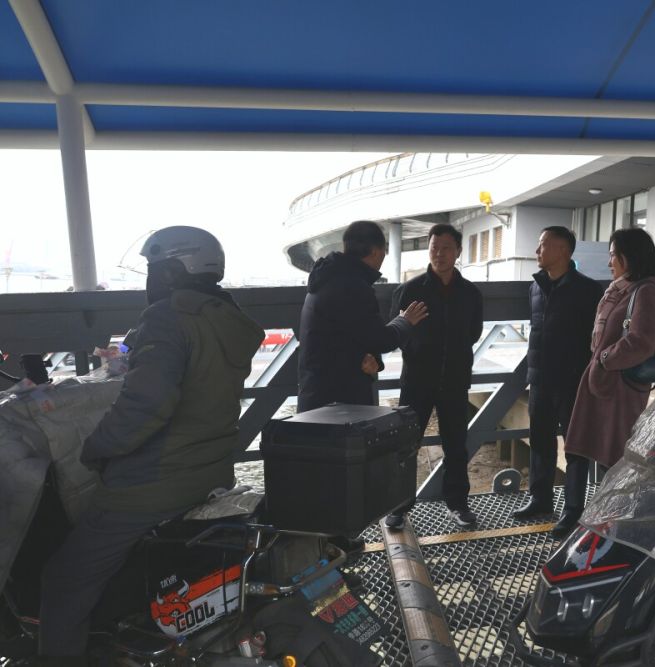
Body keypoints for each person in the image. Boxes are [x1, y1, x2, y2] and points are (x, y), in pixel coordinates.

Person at [38, 227, 265, 664]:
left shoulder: (168, 317)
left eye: (153, 270)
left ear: (175, 271)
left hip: (153, 483)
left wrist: (97, 448)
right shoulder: (225, 318)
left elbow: (147, 405)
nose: (149, 280)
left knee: (63, 579)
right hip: (210, 471)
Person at [555, 228, 655, 539]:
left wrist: (605, 359)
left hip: (619, 389)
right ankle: (588, 518)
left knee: (613, 459)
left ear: (629, 257)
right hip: (603, 385)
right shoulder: (622, 289)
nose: (609, 263)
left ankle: (614, 527)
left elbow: (643, 340)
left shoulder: (645, 291)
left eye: (613, 256)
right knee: (589, 451)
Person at [387, 224, 484, 529]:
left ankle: (457, 504)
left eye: (446, 248)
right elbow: (396, 332)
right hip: (417, 379)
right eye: (434, 248)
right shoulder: (410, 290)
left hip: (455, 379)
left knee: (456, 444)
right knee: (407, 445)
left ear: (458, 251)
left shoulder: (470, 293)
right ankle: (399, 507)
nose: (439, 254)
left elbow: (474, 332)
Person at [511, 226, 603, 520]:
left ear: (563, 250)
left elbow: (596, 339)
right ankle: (540, 499)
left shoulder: (588, 290)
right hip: (539, 380)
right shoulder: (535, 287)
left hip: (572, 382)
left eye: (543, 245)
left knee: (575, 445)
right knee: (540, 441)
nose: (537, 251)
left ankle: (573, 508)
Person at [297, 220, 427, 412]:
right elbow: (380, 339)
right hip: (339, 401)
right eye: (384, 251)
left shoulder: (326, 277)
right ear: (375, 252)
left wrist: (369, 359)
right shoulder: (353, 287)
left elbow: (347, 336)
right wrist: (405, 321)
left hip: (316, 394)